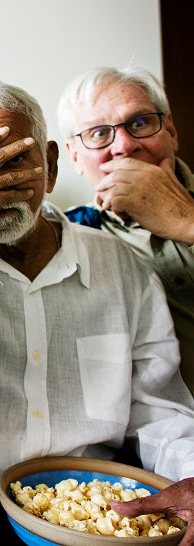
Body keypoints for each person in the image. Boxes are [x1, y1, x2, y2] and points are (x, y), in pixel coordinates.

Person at [0, 79, 194, 544]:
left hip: (95, 499)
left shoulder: (122, 267)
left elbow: (156, 410)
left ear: (50, 166)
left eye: (14, 160)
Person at [57, 66, 194, 397]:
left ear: (171, 131)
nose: (124, 146)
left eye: (140, 123)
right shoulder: (66, 240)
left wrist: (184, 220)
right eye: (100, 133)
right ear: (74, 156)